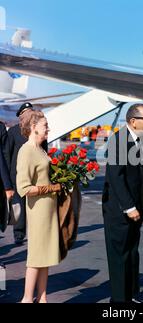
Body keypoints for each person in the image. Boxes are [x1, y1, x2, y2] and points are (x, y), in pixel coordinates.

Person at [102, 103, 143, 303]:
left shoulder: (137, 140)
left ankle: (131, 294)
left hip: (135, 208)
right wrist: (129, 207)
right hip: (120, 209)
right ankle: (119, 301)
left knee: (132, 252)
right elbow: (116, 177)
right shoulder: (119, 140)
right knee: (119, 255)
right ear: (133, 121)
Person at [16, 110, 61, 303]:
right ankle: (27, 298)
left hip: (48, 209)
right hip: (38, 211)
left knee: (46, 255)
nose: (48, 128)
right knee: (36, 256)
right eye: (45, 125)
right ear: (33, 127)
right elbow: (23, 188)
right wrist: (51, 187)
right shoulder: (27, 150)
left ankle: (42, 298)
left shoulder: (41, 149)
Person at [7, 102, 48, 245]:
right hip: (17, 174)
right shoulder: (12, 131)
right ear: (21, 116)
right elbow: (8, 153)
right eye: (26, 113)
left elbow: (45, 152)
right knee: (19, 204)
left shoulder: (39, 131)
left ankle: (37, 232)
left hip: (37, 174)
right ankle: (19, 234)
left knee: (36, 204)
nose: (29, 115)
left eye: (31, 112)